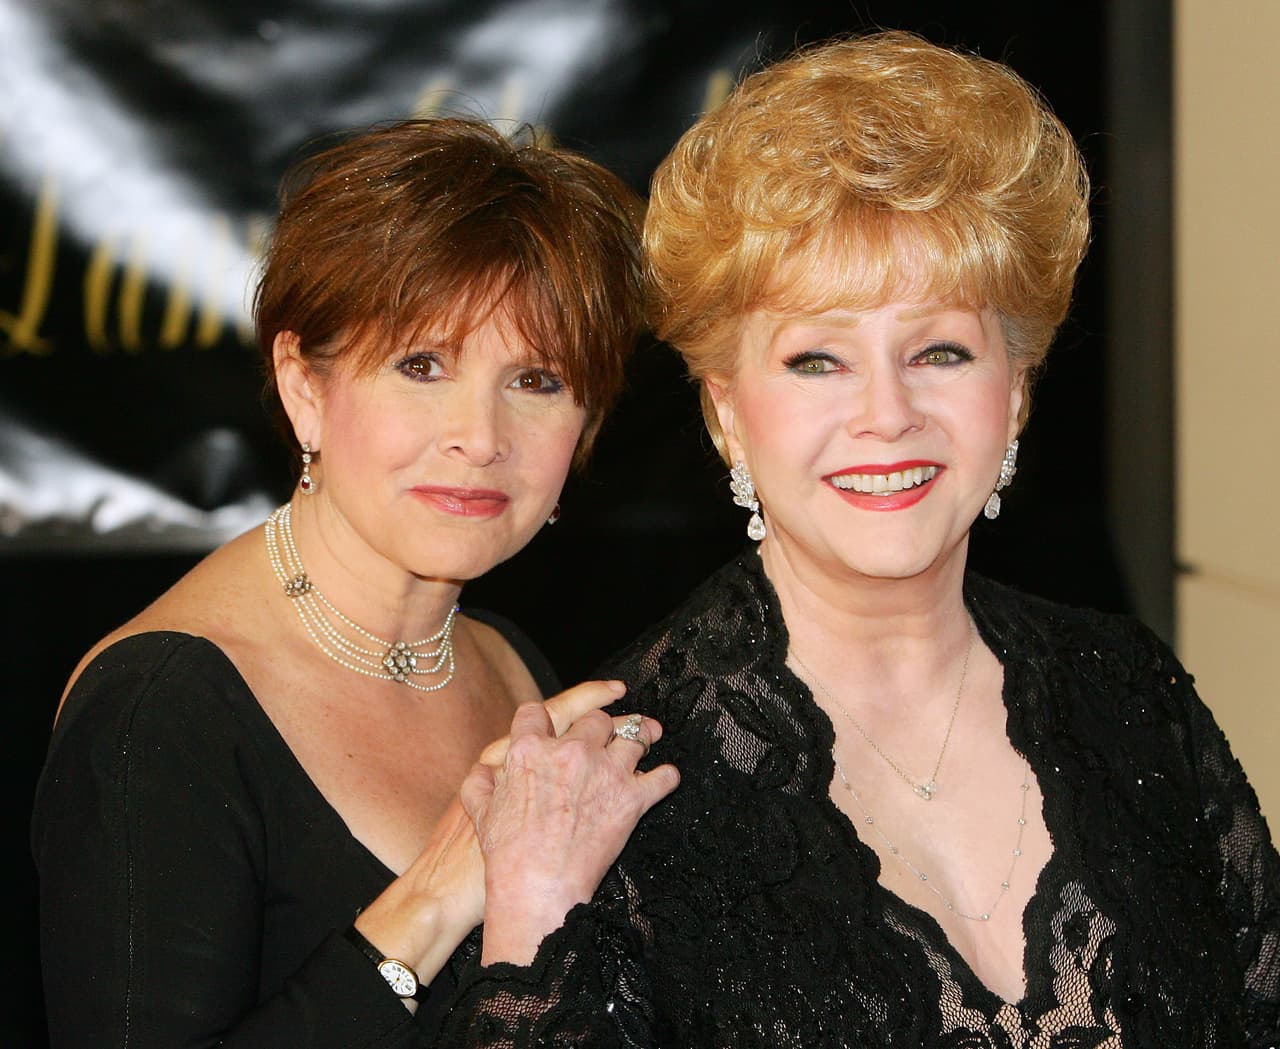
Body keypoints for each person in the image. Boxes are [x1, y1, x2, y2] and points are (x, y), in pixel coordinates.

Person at [438, 31, 1280, 1047]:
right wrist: (530, 924)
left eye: (937, 350)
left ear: (1012, 390)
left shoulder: (1130, 691)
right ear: (724, 413)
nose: (886, 413)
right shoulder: (623, 780)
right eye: (815, 360)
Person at [31, 117, 678, 1048]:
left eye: (536, 380)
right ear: (303, 388)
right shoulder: (160, 711)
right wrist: (433, 900)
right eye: (423, 365)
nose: (482, 436)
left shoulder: (515, 668)